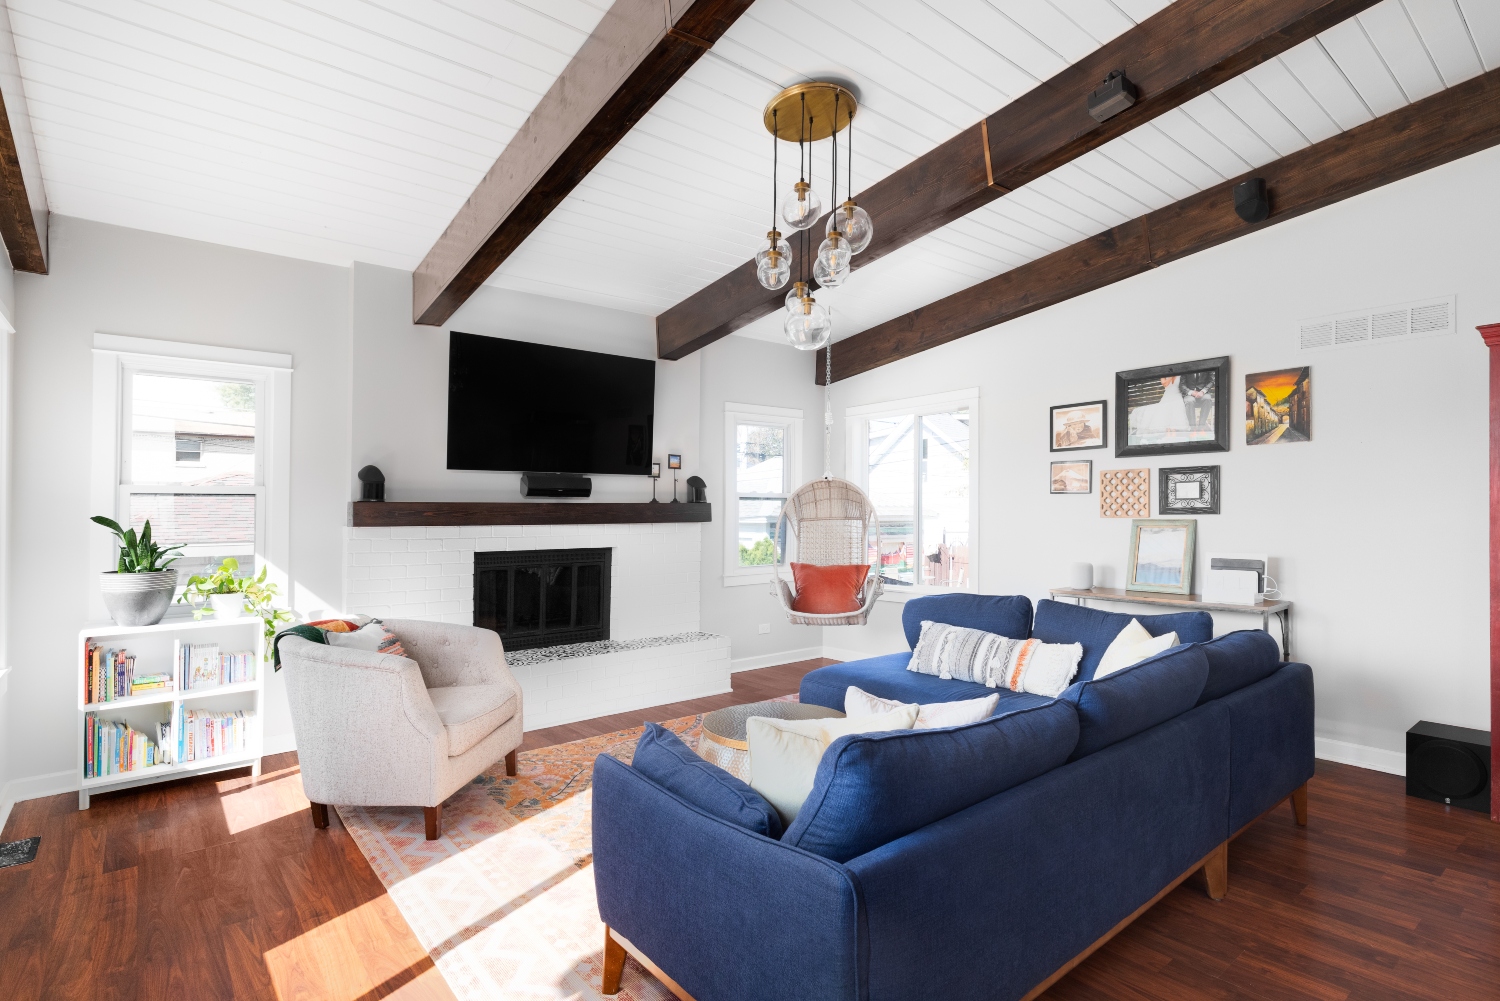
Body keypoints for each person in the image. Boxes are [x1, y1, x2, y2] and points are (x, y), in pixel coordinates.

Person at [1129, 376, 1190, 443]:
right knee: (1164, 417)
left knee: (1175, 417)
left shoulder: (1180, 376)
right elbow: (1165, 384)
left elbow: (1183, 386)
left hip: (1177, 396)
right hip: (1167, 396)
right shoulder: (1164, 377)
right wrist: (1171, 376)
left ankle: (1174, 437)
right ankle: (1167, 437)